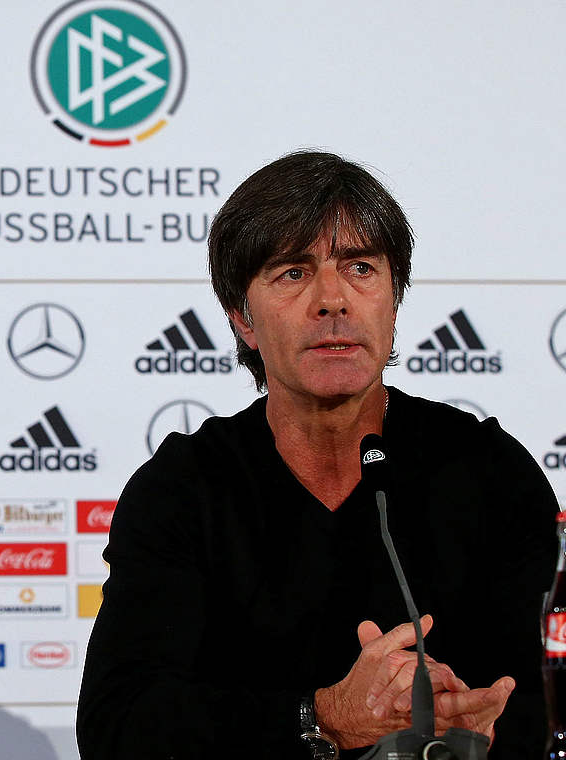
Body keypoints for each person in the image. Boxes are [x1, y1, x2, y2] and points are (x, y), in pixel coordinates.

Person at [76, 151, 557, 758]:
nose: (332, 300)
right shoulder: (185, 487)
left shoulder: (491, 472)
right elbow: (118, 726)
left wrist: (491, 731)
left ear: (392, 300)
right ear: (243, 321)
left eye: (360, 268)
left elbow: (537, 693)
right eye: (293, 273)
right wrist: (323, 718)